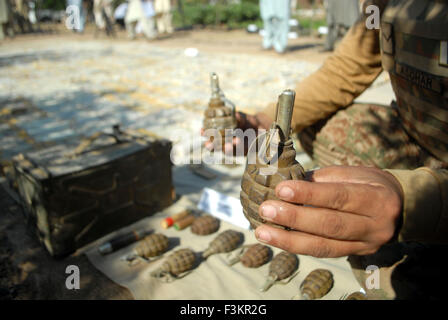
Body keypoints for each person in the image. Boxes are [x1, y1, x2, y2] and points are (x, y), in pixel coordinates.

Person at [212, 0, 448, 299]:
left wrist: (418, 201)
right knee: (317, 124)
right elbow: (347, 68)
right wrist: (261, 120)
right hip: (420, 140)